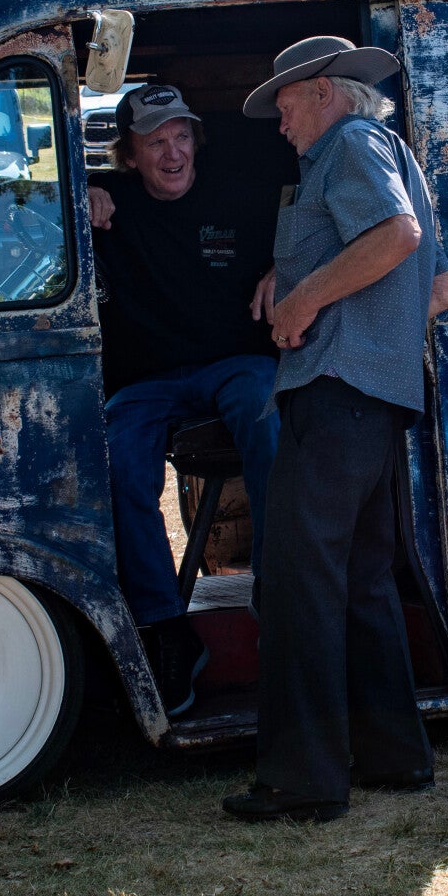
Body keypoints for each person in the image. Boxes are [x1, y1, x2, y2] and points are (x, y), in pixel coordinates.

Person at [222, 36, 448, 823]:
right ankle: (395, 758)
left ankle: (304, 778)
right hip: (374, 395)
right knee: (361, 583)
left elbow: (396, 239)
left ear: (323, 92)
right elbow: (443, 288)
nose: (280, 123)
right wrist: (368, 320)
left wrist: (308, 305)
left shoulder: (350, 142)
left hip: (333, 391)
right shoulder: (387, 150)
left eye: (285, 105)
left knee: (298, 581)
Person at [88, 83, 281, 719]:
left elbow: (317, 208)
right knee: (117, 462)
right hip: (147, 380)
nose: (172, 154)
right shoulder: (107, 203)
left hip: (235, 362)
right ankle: (164, 627)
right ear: (129, 157)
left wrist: (287, 269)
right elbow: (4, 198)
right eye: (154, 143)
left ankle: (277, 589)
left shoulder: (240, 188)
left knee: (269, 412)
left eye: (181, 138)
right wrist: (72, 199)